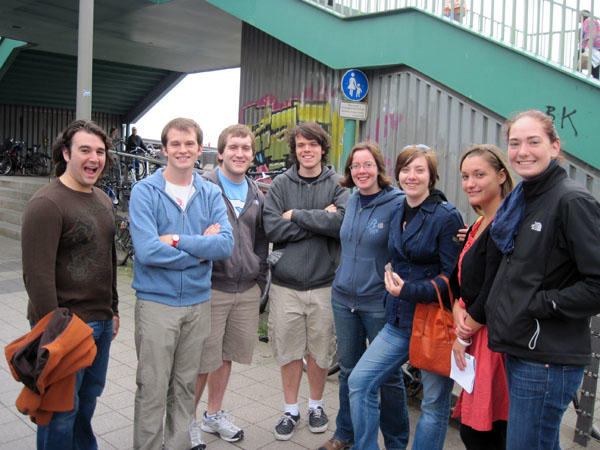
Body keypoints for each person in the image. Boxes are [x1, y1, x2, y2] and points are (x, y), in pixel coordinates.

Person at [485, 109, 600, 449]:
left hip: (547, 358)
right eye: (515, 143)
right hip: (524, 347)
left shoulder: (571, 201)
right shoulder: (524, 199)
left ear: (555, 147)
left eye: (533, 142)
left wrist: (541, 304)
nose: (523, 151)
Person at [348, 145, 463, 450]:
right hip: (399, 321)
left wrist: (409, 290)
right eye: (405, 169)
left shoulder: (446, 216)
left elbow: (451, 278)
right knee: (360, 382)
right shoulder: (398, 208)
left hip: (434, 324)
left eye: (419, 170)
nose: (411, 176)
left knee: (434, 404)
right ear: (397, 174)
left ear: (431, 176)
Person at [129, 117, 234, 450]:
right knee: (152, 387)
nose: (182, 150)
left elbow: (224, 245)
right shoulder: (145, 192)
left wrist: (176, 240)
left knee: (185, 387)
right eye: (175, 143)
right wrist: (200, 252)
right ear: (164, 149)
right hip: (156, 304)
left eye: (189, 143)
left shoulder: (210, 192)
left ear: (200, 149)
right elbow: (147, 251)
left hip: (197, 304)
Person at [21, 119, 119, 449]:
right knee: (59, 412)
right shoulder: (46, 204)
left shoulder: (102, 199)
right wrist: (55, 334)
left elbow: (108, 260)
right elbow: (36, 277)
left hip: (101, 323)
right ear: (66, 153)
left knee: (87, 402)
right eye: (85, 150)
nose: (94, 158)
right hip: (65, 327)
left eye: (100, 152)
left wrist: (114, 310)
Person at [263, 121, 349, 441]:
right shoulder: (280, 185)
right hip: (286, 284)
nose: (307, 150)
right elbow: (272, 228)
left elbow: (341, 224)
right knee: (288, 351)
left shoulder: (337, 185)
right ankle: (290, 410)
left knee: (320, 350)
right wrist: (320, 219)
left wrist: (296, 215)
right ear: (294, 149)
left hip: (325, 283)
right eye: (301, 145)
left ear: (323, 148)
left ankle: (315, 406)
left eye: (313, 144)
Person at [318, 142, 405, 450]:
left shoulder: (397, 202)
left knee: (389, 377)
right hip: (344, 300)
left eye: (368, 164)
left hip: (379, 303)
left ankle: (395, 442)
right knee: (348, 372)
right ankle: (345, 434)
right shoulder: (352, 199)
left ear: (379, 168)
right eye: (355, 166)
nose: (361, 171)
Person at [192, 124, 268, 443]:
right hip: (211, 287)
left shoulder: (256, 194)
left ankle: (213, 415)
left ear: (252, 154)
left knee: (225, 356)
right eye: (233, 147)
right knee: (201, 359)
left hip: (245, 289)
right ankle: (186, 421)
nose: (240, 153)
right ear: (220, 152)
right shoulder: (202, 186)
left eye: (246, 148)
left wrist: (259, 278)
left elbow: (261, 241)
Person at [450, 145, 514, 449]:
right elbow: (457, 279)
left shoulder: (505, 226)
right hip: (473, 334)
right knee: (474, 430)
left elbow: (493, 288)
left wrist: (463, 335)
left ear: (501, 176)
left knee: (484, 432)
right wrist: (455, 309)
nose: (470, 183)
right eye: (465, 176)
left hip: (491, 341)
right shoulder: (478, 224)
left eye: (479, 175)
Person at [580, 10, 600, 79]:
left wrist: (587, 49)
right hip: (596, 49)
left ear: (582, 16)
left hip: (592, 48)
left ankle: (576, 76)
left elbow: (591, 35)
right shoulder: (593, 21)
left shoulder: (588, 21)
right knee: (595, 69)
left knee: (577, 57)